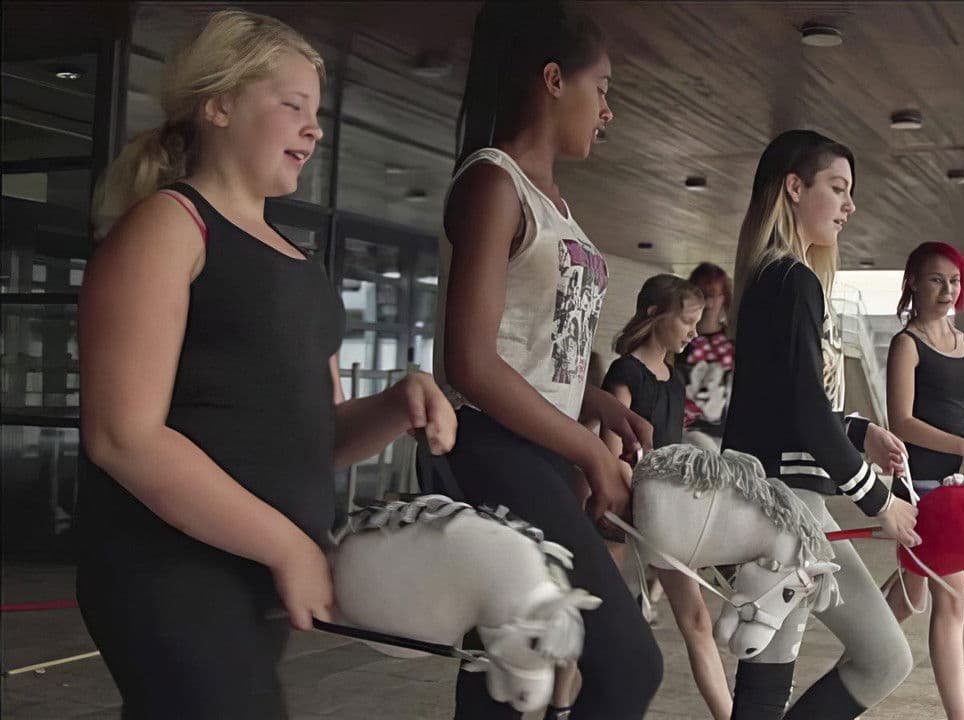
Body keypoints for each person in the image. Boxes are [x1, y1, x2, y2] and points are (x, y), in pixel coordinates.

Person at [74, 10, 456, 717]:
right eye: (293, 106)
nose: (315, 130)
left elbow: (320, 437)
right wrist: (287, 546)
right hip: (170, 568)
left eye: (317, 114)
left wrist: (397, 401)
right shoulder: (170, 226)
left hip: (250, 575)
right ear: (219, 105)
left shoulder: (299, 263)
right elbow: (123, 436)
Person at [433, 2, 662, 718]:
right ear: (555, 80)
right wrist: (588, 451)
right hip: (499, 452)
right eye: (603, 88)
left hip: (541, 453)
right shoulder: (493, 183)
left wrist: (598, 407)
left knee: (506, 672)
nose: (609, 110)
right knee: (628, 665)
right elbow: (471, 363)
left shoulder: (550, 200)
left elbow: (532, 348)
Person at [722, 129, 919, 720]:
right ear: (794, 187)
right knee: (879, 660)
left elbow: (788, 405)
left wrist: (858, 432)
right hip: (787, 508)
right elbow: (804, 413)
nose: (850, 205)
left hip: (777, 503)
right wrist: (879, 500)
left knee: (767, 683)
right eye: (838, 188)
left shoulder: (774, 279)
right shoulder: (793, 280)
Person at [881, 241, 964, 720]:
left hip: (959, 488)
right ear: (913, 282)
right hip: (920, 485)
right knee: (951, 598)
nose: (947, 290)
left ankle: (858, 656)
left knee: (909, 597)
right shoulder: (907, 344)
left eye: (954, 281)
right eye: (936, 279)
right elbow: (901, 422)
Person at [601, 274, 732, 720]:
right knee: (598, 618)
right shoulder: (625, 372)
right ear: (655, 314)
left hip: (666, 514)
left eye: (697, 323)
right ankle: (563, 705)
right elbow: (611, 453)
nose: (694, 332)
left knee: (697, 619)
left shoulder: (674, 378)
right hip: (623, 508)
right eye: (687, 321)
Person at [676, 262, 735, 451]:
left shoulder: (734, 345)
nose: (708, 303)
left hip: (722, 439)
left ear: (724, 298)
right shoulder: (677, 340)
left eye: (713, 295)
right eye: (702, 294)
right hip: (679, 436)